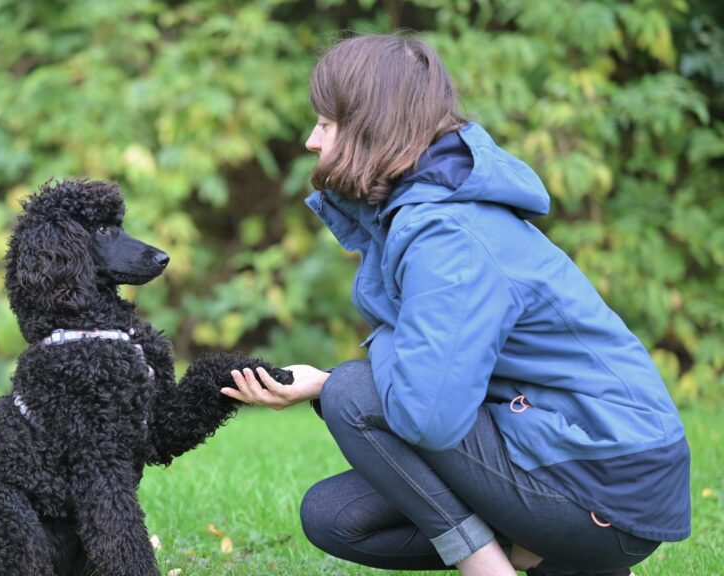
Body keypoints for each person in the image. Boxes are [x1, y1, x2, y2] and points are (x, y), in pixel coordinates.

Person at [222, 33, 690, 576]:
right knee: (336, 515)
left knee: (355, 391)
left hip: (608, 482)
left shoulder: (448, 235)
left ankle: (496, 567)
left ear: (370, 126)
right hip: (581, 458)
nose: (309, 140)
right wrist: (324, 383)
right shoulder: (422, 214)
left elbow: (429, 418)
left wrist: (342, 379)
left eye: (325, 123)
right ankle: (553, 559)